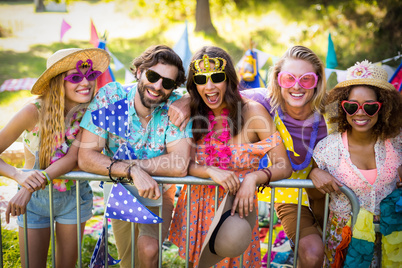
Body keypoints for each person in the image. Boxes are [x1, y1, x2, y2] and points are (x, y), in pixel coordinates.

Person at [168, 46, 292, 268]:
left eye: (217, 77)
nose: (209, 86)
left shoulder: (253, 113)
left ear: (229, 79)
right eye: (201, 79)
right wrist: (208, 170)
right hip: (197, 208)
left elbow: (284, 165)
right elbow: (179, 163)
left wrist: (254, 178)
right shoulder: (192, 114)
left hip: (236, 209)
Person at [78, 45, 192, 268]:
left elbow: (178, 164)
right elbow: (85, 156)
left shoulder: (176, 106)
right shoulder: (112, 97)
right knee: (129, 261)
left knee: (149, 250)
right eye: (153, 76)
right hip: (120, 191)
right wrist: (132, 171)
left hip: (158, 191)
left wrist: (135, 167)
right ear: (139, 71)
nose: (158, 86)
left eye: (167, 83)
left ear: (173, 89)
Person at [1, 47, 110, 267]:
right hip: (33, 202)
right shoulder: (33, 112)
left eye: (90, 75)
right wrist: (18, 176)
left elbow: (72, 158)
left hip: (73, 196)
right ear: (58, 81)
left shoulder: (91, 112)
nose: (86, 82)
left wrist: (29, 187)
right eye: (76, 77)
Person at [311, 60, 402, 267]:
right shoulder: (327, 149)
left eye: (370, 106)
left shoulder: (397, 143)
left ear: (383, 107)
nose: (360, 113)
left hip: (390, 244)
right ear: (343, 107)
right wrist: (312, 175)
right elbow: (314, 198)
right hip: (344, 245)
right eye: (352, 106)